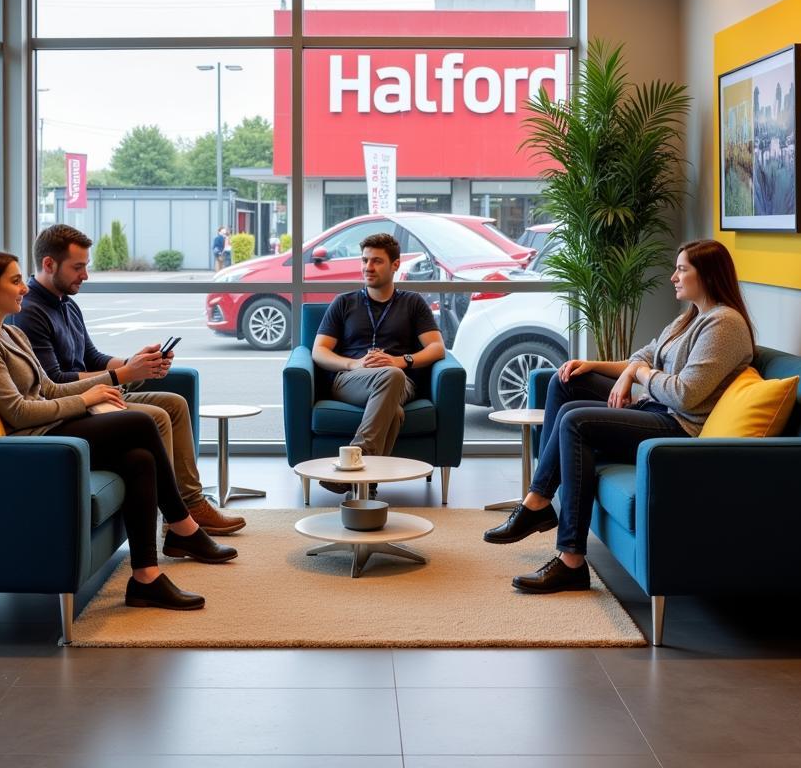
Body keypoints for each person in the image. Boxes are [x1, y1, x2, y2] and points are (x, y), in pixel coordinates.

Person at [0, 250, 239, 612]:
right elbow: (17, 413)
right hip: (35, 446)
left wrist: (101, 385)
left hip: (53, 429)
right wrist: (86, 400)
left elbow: (48, 389)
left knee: (139, 458)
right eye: (15, 281)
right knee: (142, 422)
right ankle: (182, 525)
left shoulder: (10, 333)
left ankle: (146, 578)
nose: (23, 288)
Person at [483, 238, 755, 594]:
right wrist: (595, 365)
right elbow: (643, 355)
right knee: (564, 381)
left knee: (574, 420)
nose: (673, 277)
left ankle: (570, 561)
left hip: (679, 428)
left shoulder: (724, 325)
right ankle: (541, 499)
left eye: (682, 269)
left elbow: (685, 393)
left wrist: (636, 374)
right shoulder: (691, 318)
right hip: (656, 407)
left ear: (707, 275)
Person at [9, 224, 244, 535]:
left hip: (96, 399)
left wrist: (137, 363)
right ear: (49, 264)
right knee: (158, 416)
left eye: (86, 266)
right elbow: (53, 382)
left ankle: (192, 503)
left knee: (175, 404)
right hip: (70, 407)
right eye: (78, 267)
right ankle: (177, 519)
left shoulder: (66, 304)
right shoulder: (28, 313)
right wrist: (124, 374)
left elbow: (91, 357)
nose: (86, 275)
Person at [311, 232, 445, 495]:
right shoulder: (344, 302)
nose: (367, 268)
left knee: (392, 376)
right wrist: (354, 364)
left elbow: (437, 348)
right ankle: (366, 484)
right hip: (350, 381)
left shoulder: (413, 303)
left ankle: (353, 466)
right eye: (364, 260)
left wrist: (399, 361)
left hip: (399, 381)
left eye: (376, 261)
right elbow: (319, 351)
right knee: (392, 412)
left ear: (395, 265)